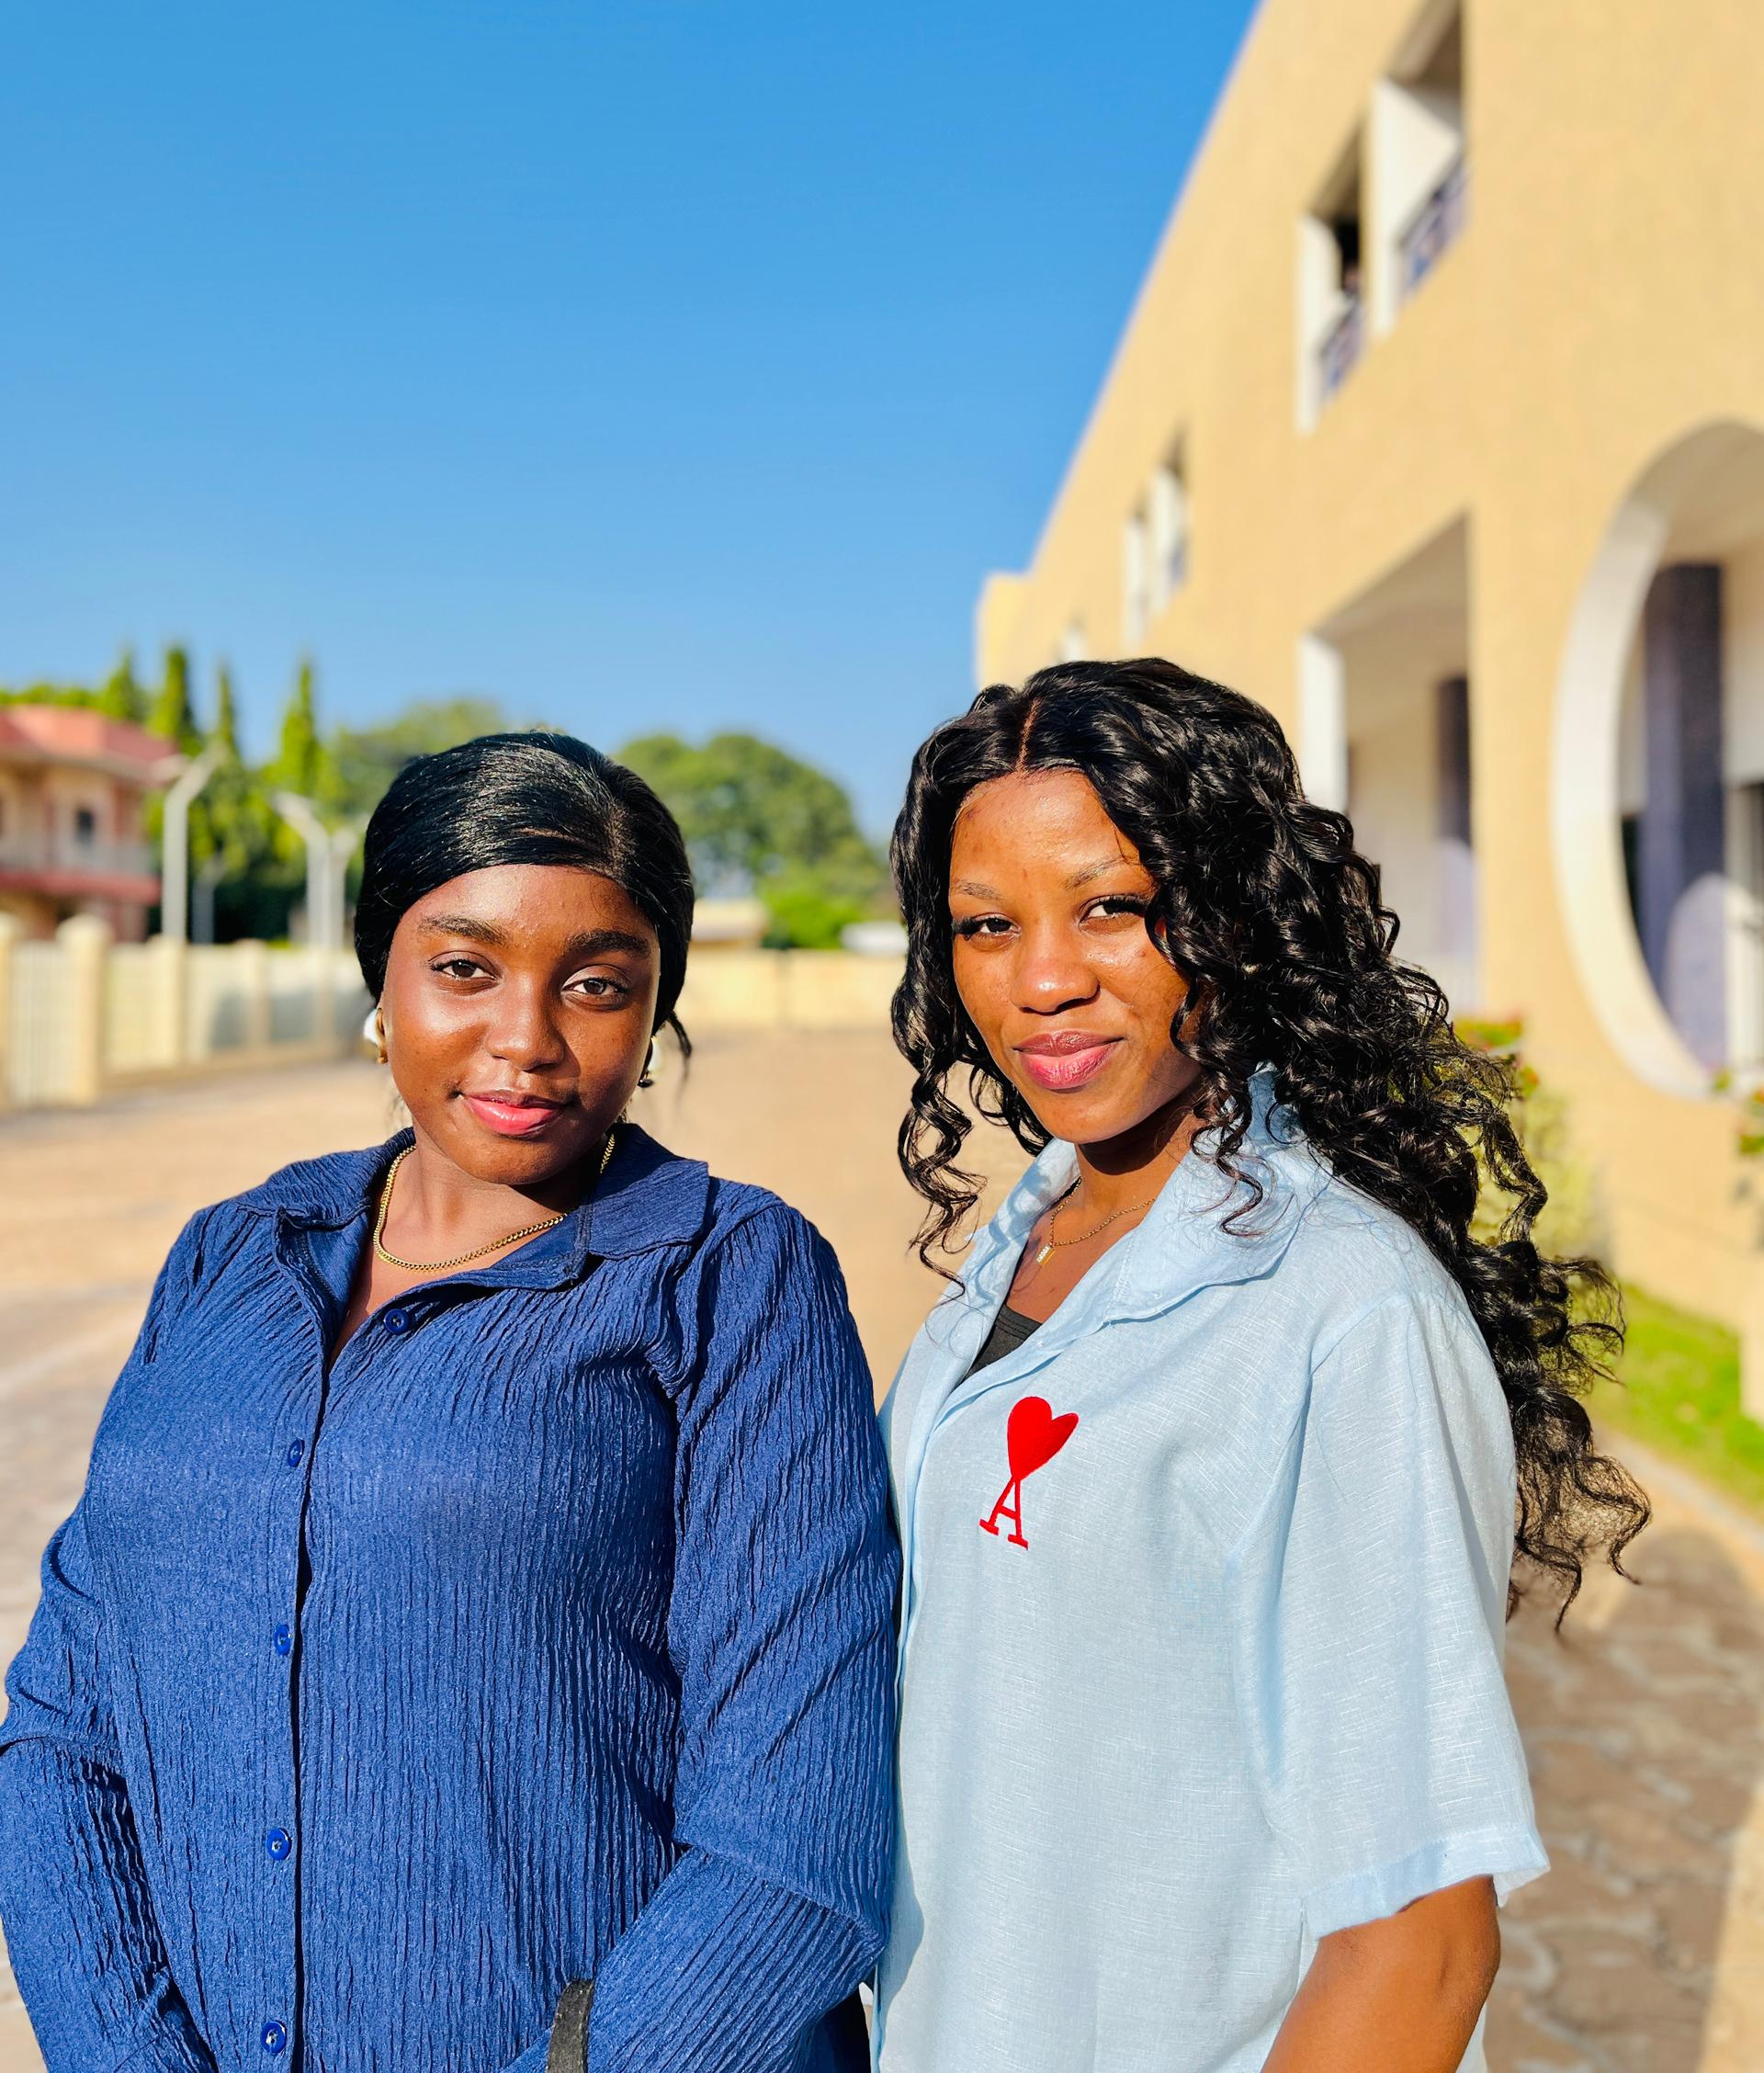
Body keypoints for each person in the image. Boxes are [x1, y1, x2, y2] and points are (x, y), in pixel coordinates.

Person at [0, 731, 898, 2073]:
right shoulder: (230, 1258)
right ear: (383, 977)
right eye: (464, 968)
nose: (525, 1040)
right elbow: (64, 1727)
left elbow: (797, 1841)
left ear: (656, 1014)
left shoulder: (730, 1280)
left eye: (597, 985)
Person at [875, 659, 1647, 2073]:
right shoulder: (1020, 1250)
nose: (1044, 979)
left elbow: (1418, 1938)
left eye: (1113, 906)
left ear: (1235, 915)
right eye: (987, 925)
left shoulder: (1340, 1309)